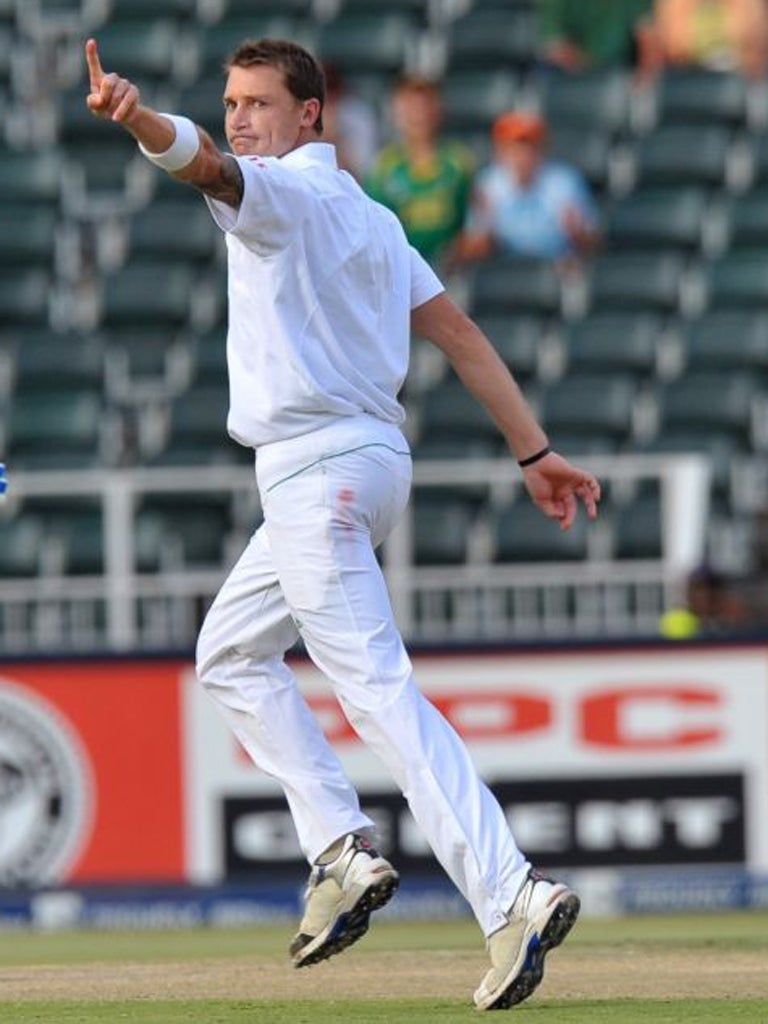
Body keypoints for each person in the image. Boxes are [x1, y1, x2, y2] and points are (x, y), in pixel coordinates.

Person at [84, 36, 601, 1011]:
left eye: (260, 102)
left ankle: (512, 891)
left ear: (311, 114)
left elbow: (203, 163)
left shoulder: (286, 195)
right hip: (364, 460)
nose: (241, 117)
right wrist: (534, 452)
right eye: (231, 100)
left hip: (314, 466)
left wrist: (136, 118)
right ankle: (339, 847)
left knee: (377, 693)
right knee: (230, 651)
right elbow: (459, 334)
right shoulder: (370, 214)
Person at [457, 111, 600, 267]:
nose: (522, 156)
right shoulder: (487, 185)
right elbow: (469, 250)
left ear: (543, 150)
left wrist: (577, 234)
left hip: (556, 271)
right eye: (513, 148)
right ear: (499, 152)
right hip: (501, 271)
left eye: (530, 147)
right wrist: (485, 237)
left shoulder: (564, 183)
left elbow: (594, 244)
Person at [365, 76, 475, 268]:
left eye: (424, 107)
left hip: (450, 268)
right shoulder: (383, 166)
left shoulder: (458, 161)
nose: (418, 115)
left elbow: (474, 216)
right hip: (400, 266)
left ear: (437, 110)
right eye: (410, 108)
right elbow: (374, 225)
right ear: (396, 113)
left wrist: (464, 245)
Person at [638, 0, 768, 81]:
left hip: (739, 84)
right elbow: (666, 44)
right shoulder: (673, 5)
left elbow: (757, 43)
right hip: (683, 83)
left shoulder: (750, 5)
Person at [539, 0, 655, 73]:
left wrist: (642, 83)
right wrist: (589, 68)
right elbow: (554, 46)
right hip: (570, 82)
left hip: (620, 80)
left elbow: (649, 41)